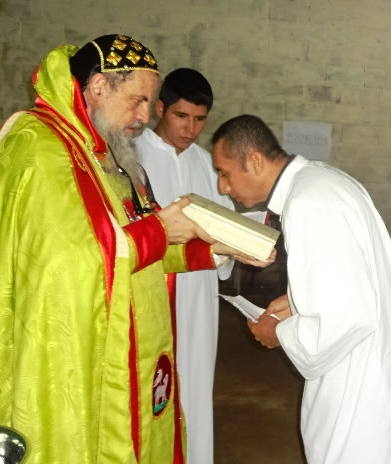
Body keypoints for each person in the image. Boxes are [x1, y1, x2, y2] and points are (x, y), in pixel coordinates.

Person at [0, 35, 270, 463]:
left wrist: (213, 249)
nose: (144, 117)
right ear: (100, 86)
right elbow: (66, 261)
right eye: (138, 100)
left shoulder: (106, 153)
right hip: (72, 345)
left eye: (149, 103)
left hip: (125, 338)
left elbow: (135, 242)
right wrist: (160, 229)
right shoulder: (40, 146)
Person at [212, 115, 391, 464]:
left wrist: (279, 333)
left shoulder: (309, 203)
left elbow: (347, 319)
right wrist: (297, 300)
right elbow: (353, 278)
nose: (222, 187)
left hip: (360, 382)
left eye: (225, 173)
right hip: (375, 362)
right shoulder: (319, 182)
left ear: (254, 161)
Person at [136, 67, 234, 464]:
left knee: (194, 380)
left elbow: (226, 224)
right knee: (149, 385)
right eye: (181, 116)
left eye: (199, 119)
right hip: (152, 288)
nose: (190, 129)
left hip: (197, 293)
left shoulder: (207, 164)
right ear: (160, 108)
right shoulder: (130, 156)